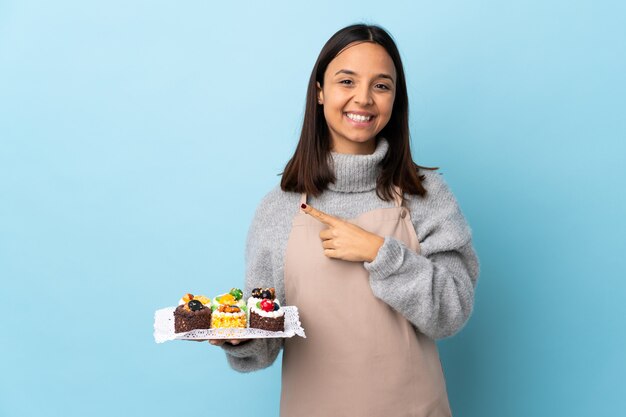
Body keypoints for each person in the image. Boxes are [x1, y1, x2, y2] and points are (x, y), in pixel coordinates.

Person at [210, 23, 479, 417]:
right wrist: (239, 339)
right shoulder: (279, 207)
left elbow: (452, 312)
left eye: (381, 85)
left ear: (395, 99)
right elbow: (265, 340)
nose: (364, 99)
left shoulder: (426, 194)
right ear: (320, 91)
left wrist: (380, 253)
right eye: (346, 81)